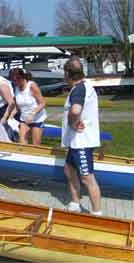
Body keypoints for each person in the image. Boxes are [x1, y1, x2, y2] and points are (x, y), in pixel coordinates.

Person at [61, 57, 102, 216]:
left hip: (81, 142)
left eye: (64, 73)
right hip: (75, 142)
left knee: (87, 178)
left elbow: (76, 110)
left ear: (68, 74)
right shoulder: (83, 86)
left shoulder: (78, 89)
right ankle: (75, 203)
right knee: (69, 170)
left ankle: (97, 213)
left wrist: (73, 123)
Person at [9, 68, 47, 145]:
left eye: (15, 80)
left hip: (37, 119)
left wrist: (33, 114)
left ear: (22, 78)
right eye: (12, 80)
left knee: (35, 145)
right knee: (22, 144)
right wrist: (11, 115)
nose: (14, 82)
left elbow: (42, 103)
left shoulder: (32, 86)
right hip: (24, 120)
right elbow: (17, 107)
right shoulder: (15, 87)